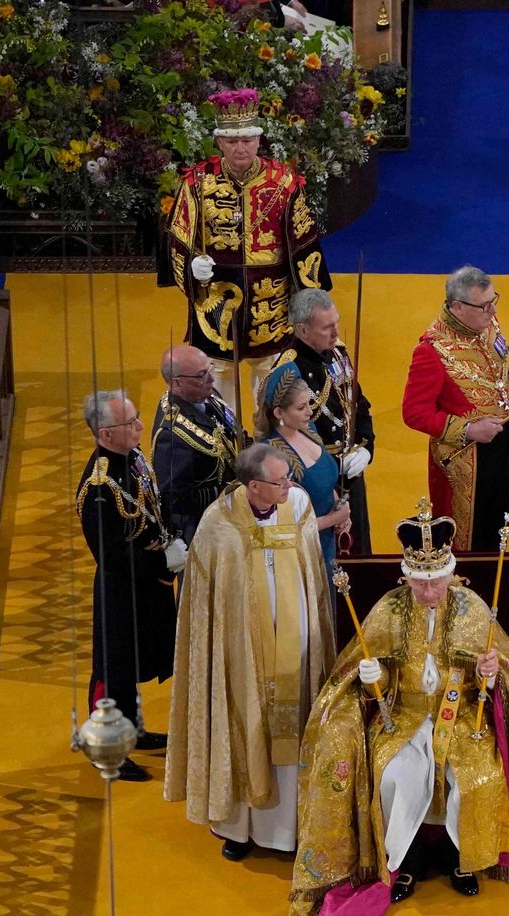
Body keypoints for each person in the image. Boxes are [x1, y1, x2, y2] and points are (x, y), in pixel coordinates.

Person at [286, 502, 509, 916]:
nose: (430, 591)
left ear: (451, 575)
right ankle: (408, 862)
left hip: (464, 719)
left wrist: (490, 674)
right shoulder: (390, 610)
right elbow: (355, 671)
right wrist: (370, 675)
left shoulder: (473, 608)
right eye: (421, 583)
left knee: (474, 780)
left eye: (437, 581)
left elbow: (508, 674)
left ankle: (463, 862)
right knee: (398, 776)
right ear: (407, 579)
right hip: (403, 719)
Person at [165, 444, 336, 860]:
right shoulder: (219, 524)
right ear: (254, 485)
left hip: (296, 645)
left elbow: (312, 571)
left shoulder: (297, 505)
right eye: (279, 480)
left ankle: (292, 830)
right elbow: (208, 604)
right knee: (244, 722)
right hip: (242, 652)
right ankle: (239, 829)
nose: (289, 485)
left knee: (294, 724)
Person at [162, 87, 331, 415]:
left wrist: (312, 305)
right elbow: (179, 236)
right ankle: (225, 437)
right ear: (220, 142)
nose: (240, 148)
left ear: (258, 140)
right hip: (214, 300)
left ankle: (271, 435)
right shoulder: (197, 183)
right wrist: (192, 263)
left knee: (271, 373)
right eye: (232, 141)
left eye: (247, 140)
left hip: (271, 299)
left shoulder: (283, 183)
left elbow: (304, 242)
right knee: (215, 375)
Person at [77, 390, 186, 782]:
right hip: (120, 590)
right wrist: (162, 561)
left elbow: (151, 507)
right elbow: (112, 556)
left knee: (138, 660)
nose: (141, 427)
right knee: (113, 668)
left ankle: (132, 729)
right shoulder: (99, 488)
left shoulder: (134, 457)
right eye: (130, 423)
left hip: (149, 584)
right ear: (106, 434)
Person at [402, 266, 509, 552]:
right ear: (457, 306)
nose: (492, 312)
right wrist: (468, 429)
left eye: (494, 301)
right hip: (465, 462)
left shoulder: (483, 321)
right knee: (467, 540)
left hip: (500, 448)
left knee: (497, 525)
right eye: (484, 306)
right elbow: (414, 412)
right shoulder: (430, 351)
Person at [279, 288, 374, 554]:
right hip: (318, 481)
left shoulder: (337, 353)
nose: (335, 332)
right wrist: (330, 465)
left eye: (336, 323)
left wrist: (367, 448)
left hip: (352, 470)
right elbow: (286, 437)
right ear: (302, 330)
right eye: (327, 327)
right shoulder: (289, 370)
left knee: (359, 550)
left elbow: (359, 404)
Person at [257, 363, 350, 587]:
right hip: (300, 557)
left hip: (327, 543)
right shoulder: (272, 456)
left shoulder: (309, 430)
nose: (309, 411)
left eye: (309, 403)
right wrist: (333, 520)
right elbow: (279, 528)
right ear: (279, 412)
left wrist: (340, 508)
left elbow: (326, 480)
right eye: (301, 408)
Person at [151, 345, 242, 547]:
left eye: (209, 369)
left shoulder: (207, 394)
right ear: (177, 384)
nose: (211, 379)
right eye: (201, 375)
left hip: (230, 517)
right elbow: (176, 501)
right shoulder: (172, 436)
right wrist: (233, 490)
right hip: (203, 531)